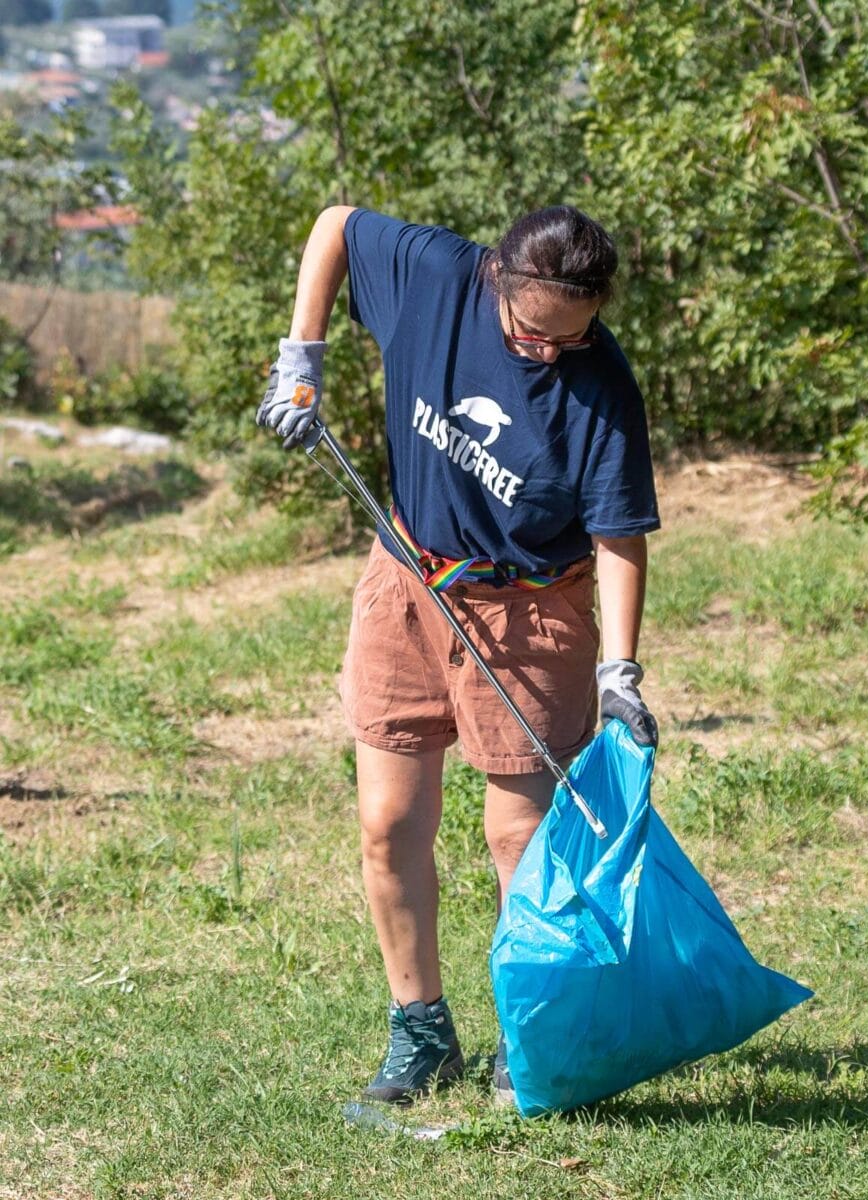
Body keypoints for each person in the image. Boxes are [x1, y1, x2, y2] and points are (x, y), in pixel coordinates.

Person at [256, 204, 660, 1105]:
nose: (552, 351)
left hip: (530, 612)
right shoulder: (436, 275)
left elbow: (621, 536)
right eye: (534, 332)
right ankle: (422, 1037)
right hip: (406, 579)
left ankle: (534, 1036)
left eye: (576, 334)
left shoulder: (601, 383)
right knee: (388, 825)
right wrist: (302, 363)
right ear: (499, 283)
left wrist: (619, 669)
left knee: (520, 838)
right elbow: (331, 224)